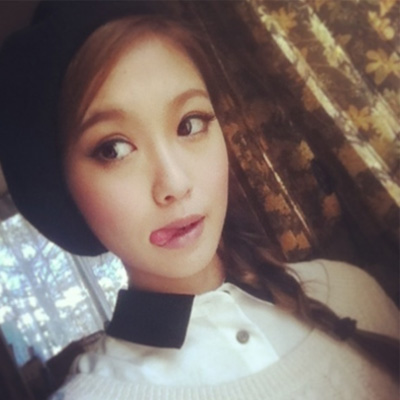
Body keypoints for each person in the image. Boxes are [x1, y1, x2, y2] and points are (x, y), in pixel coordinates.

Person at [0, 2, 398, 399]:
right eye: (113, 149)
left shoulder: (352, 291)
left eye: (190, 124)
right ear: (61, 189)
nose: (175, 183)